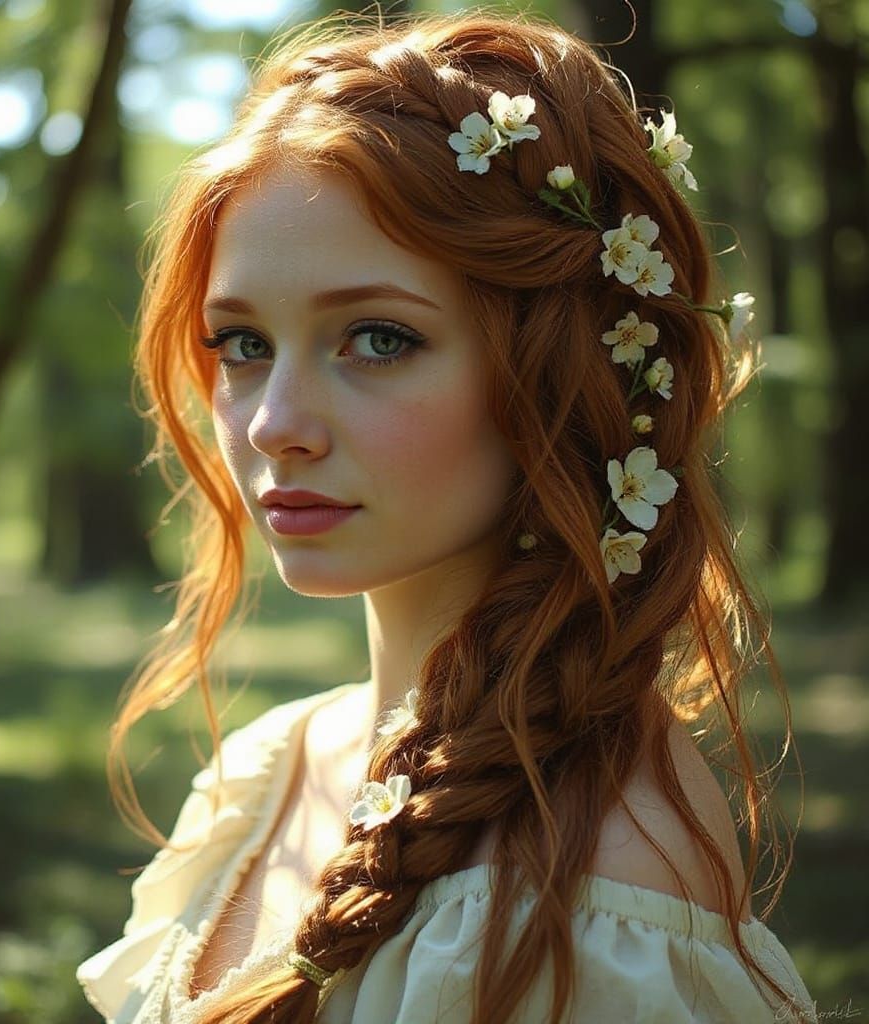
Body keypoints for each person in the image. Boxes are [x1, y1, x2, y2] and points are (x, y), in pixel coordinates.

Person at [76, 8, 817, 1023]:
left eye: (377, 338)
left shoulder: (597, 891)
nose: (274, 424)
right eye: (242, 344)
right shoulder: (275, 763)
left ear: (559, 370)